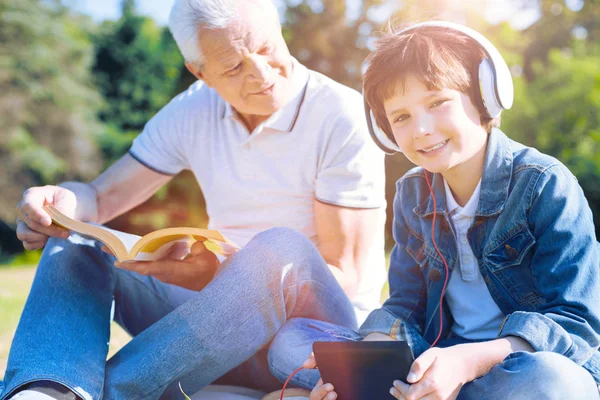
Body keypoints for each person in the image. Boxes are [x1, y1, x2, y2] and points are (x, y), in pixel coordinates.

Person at [1, 0, 387, 399]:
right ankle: (48, 389)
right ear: (199, 72)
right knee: (75, 242)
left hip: (305, 338)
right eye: (234, 67)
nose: (261, 73)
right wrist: (61, 202)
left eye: (267, 47)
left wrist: (225, 276)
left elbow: (344, 275)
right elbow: (99, 197)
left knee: (278, 248)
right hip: (212, 336)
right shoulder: (192, 111)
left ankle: (116, 392)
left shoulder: (340, 115)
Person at [271, 21, 600, 400]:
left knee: (552, 381)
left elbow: (577, 324)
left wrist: (467, 362)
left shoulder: (544, 184)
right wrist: (366, 359)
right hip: (434, 364)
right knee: (293, 342)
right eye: (401, 117)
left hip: (514, 365)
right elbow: (407, 304)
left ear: (485, 96)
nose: (422, 129)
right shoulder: (412, 193)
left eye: (437, 103)